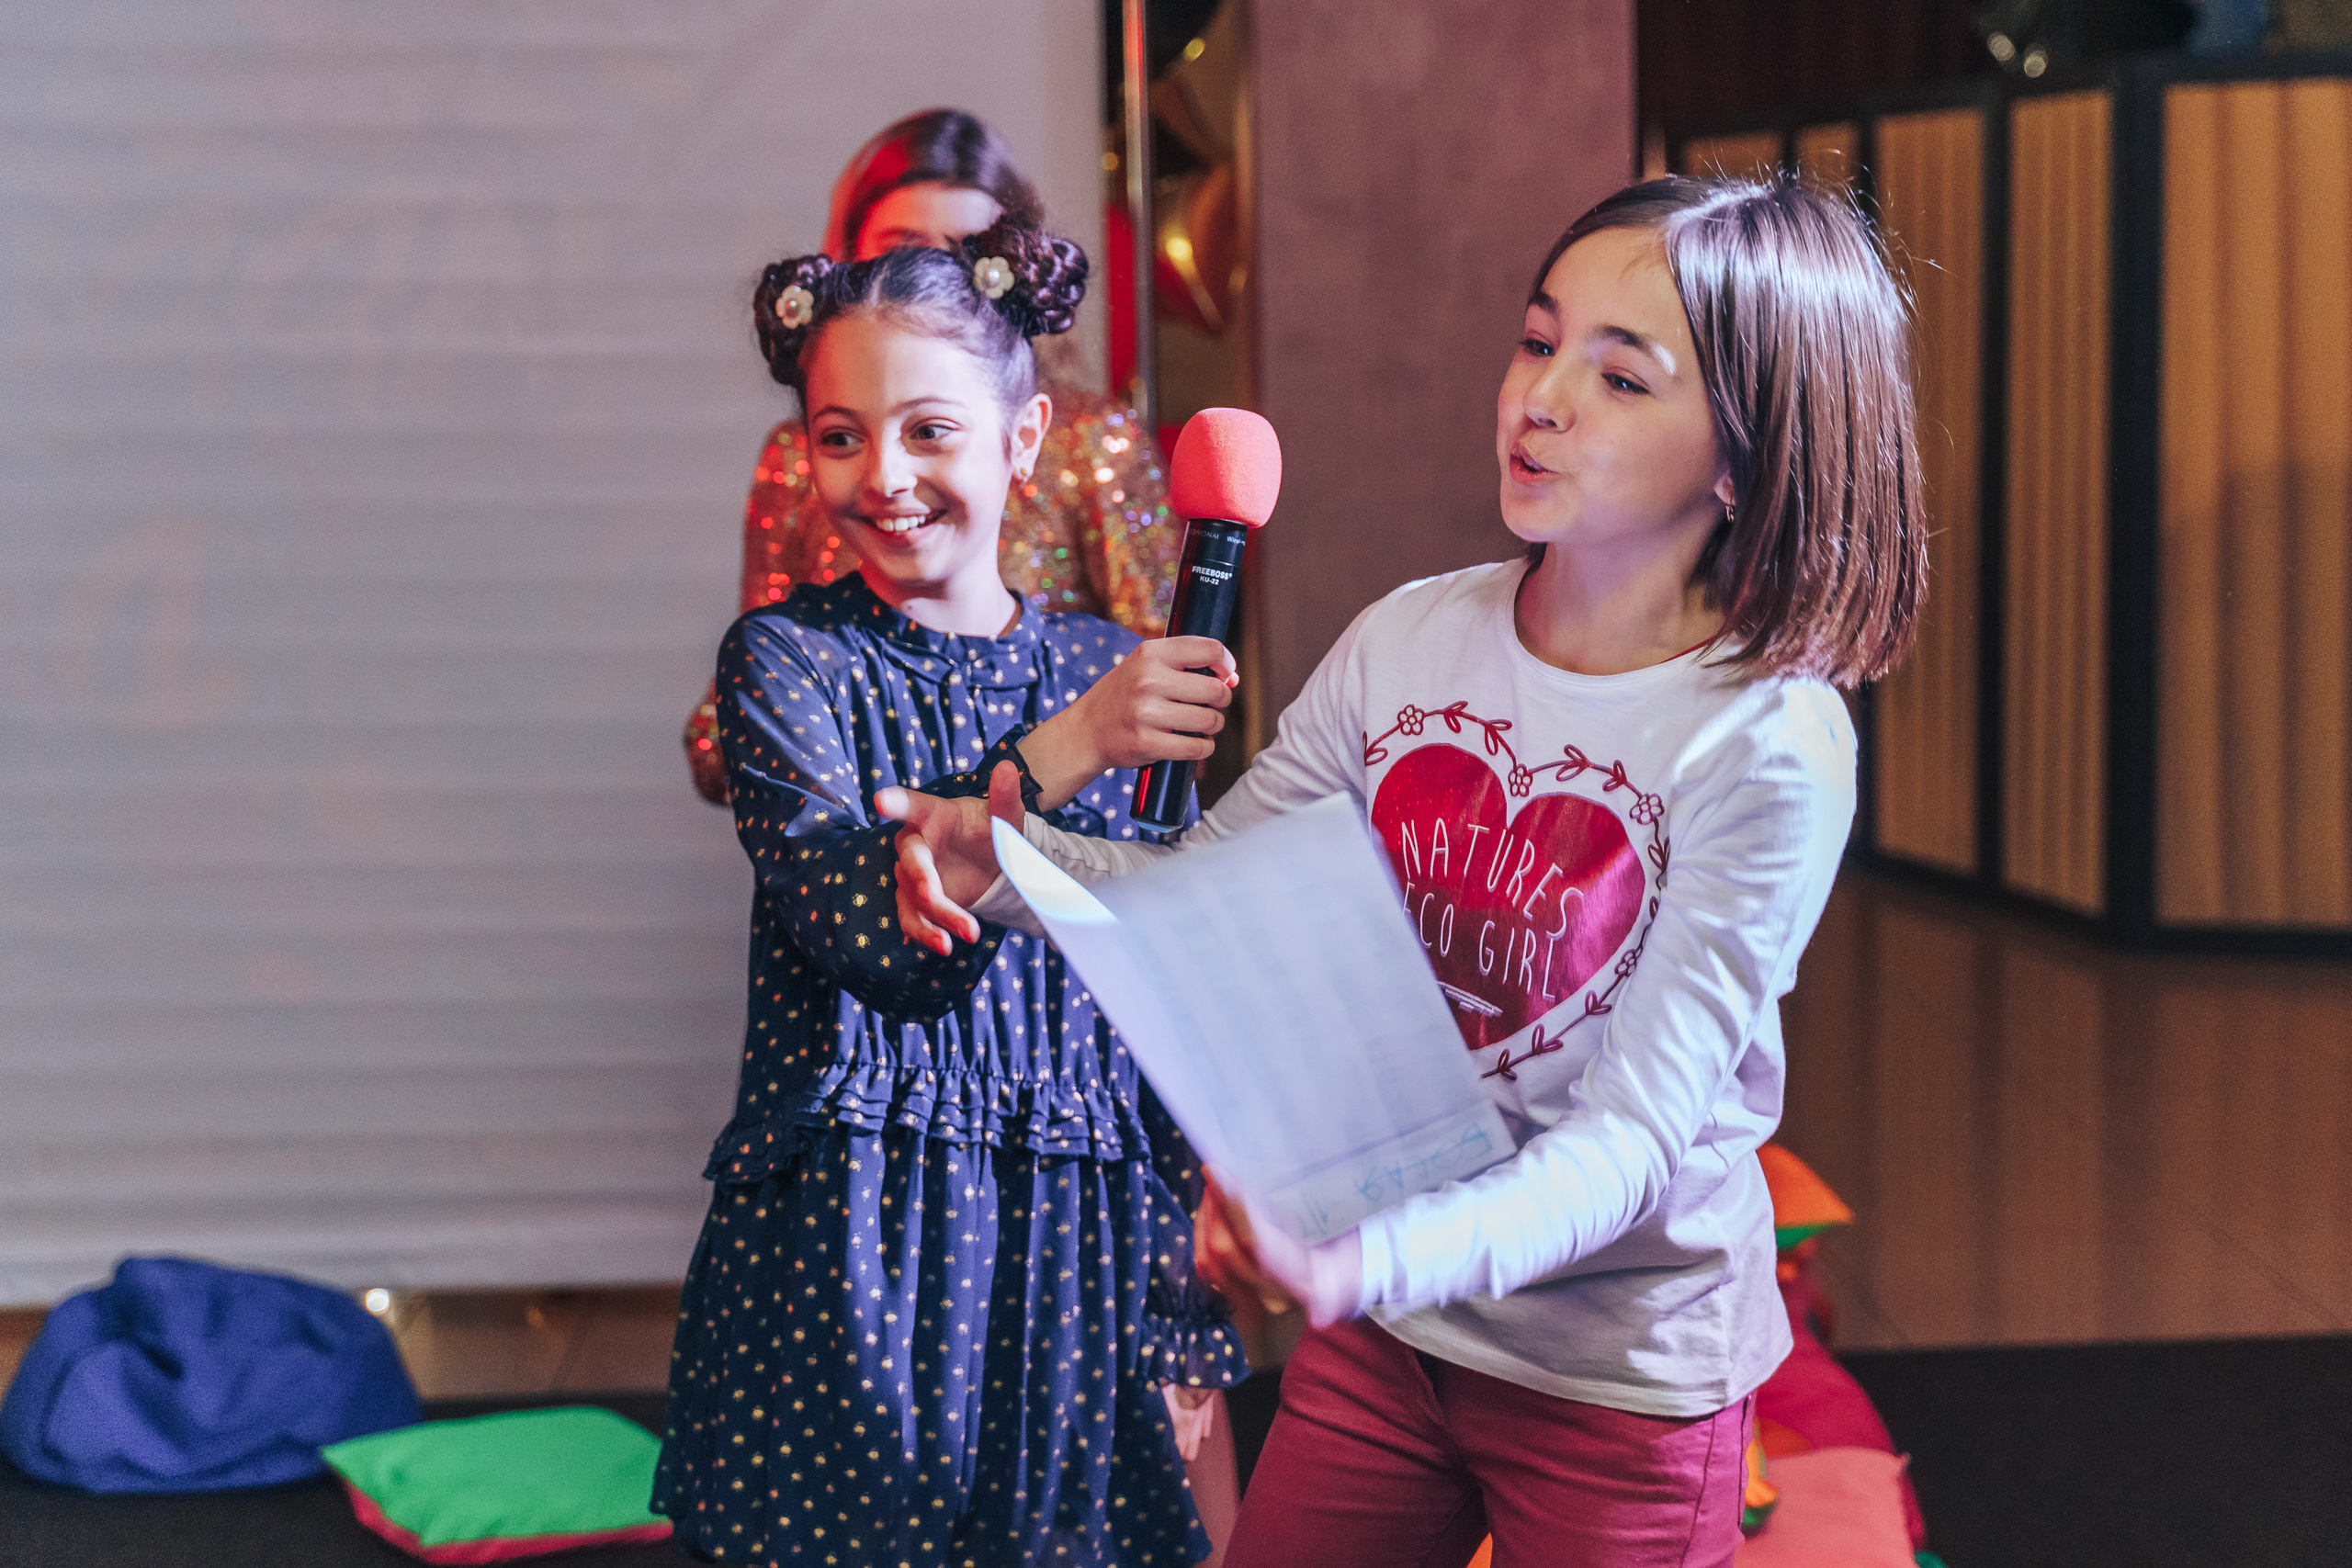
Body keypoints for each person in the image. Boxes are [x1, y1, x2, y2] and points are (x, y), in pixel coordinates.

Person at [881, 175, 1928, 1567]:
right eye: (1537, 341)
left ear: (1744, 456)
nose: (1542, 397)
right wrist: (1001, 860)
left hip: (1621, 1379)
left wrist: (1364, 1253)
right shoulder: (1410, 640)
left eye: (1619, 376)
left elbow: (1632, 1144)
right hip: (1389, 1342)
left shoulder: (1768, 738)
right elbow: (1212, 897)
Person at [650, 217, 1246, 1566]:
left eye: (929, 430)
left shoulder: (1106, 665)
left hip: (1079, 1246)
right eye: (840, 436)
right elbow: (880, 935)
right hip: (854, 1247)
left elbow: (1165, 1005)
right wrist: (1070, 748)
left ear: (1023, 441)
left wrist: (1180, 1307)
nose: (884, 476)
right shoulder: (785, 665)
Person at [685, 109, 1178, 804]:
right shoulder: (797, 493)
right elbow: (727, 735)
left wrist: (1072, 744)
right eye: (903, 249)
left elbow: (1160, 692)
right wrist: (796, 728)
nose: (888, 477)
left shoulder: (1093, 439)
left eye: (966, 257)